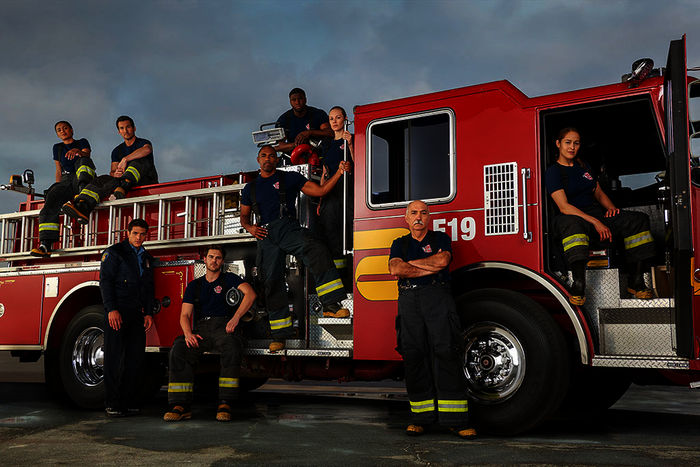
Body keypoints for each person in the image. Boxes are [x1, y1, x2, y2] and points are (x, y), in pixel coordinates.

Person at [239, 145, 351, 352]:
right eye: (264, 156)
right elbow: (244, 217)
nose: (268, 159)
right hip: (265, 235)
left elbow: (320, 191)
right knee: (271, 281)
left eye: (272, 156)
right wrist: (251, 228)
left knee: (316, 249)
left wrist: (339, 173)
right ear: (258, 160)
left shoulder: (288, 178)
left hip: (287, 227)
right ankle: (280, 336)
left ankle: (331, 306)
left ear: (276, 160)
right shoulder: (250, 188)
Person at [388, 200, 475, 440]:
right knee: (414, 354)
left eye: (423, 213)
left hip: (437, 297)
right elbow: (395, 269)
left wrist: (412, 266)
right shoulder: (399, 243)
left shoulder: (440, 238)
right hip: (408, 300)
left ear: (429, 217)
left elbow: (443, 261)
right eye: (414, 213)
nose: (418, 217)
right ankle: (420, 419)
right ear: (406, 218)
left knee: (446, 351)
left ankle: (456, 421)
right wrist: (426, 268)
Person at [545, 127, 655, 305]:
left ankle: (636, 281)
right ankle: (579, 283)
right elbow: (564, 207)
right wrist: (596, 222)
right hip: (571, 217)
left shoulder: (583, 166)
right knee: (573, 224)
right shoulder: (553, 172)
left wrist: (612, 209)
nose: (572, 147)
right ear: (558, 144)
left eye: (576, 143)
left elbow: (598, 192)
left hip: (595, 216)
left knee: (637, 220)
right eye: (568, 142)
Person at [164, 245, 256, 422]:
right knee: (179, 348)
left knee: (232, 346)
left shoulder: (229, 279)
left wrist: (236, 318)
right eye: (211, 257)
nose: (214, 260)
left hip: (224, 327)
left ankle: (225, 402)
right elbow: (184, 315)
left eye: (218, 258)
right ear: (204, 259)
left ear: (222, 261)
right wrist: (188, 334)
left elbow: (250, 294)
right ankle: (180, 405)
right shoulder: (194, 286)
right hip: (202, 329)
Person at [99, 218, 155, 417]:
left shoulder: (146, 257)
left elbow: (149, 288)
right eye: (135, 233)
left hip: (136, 313)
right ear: (128, 233)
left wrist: (148, 312)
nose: (139, 238)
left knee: (135, 358)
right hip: (118, 311)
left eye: (142, 234)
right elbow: (105, 282)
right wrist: (111, 309)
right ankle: (112, 403)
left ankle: (129, 401)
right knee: (114, 357)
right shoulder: (115, 252)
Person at [62, 116, 158, 223]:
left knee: (138, 162)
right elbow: (112, 172)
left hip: (145, 180)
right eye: (122, 128)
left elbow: (147, 149)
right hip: (120, 184)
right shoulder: (117, 151)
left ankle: (123, 187)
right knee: (103, 179)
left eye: (128, 127)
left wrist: (125, 159)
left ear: (134, 128)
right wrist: (116, 173)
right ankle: (82, 206)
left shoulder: (143, 142)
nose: (125, 131)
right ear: (119, 132)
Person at [29, 121, 96, 257]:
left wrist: (78, 152)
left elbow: (87, 157)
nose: (63, 131)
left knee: (83, 162)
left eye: (65, 128)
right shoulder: (57, 148)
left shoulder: (82, 142)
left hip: (83, 178)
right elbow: (58, 170)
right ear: (57, 134)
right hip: (66, 180)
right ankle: (45, 245)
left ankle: (82, 195)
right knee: (51, 200)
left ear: (71, 130)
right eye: (59, 130)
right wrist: (58, 188)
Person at [317, 106, 354, 285]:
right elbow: (325, 172)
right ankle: (338, 280)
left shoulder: (351, 139)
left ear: (345, 119)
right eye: (331, 118)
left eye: (338, 117)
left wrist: (352, 144)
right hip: (330, 196)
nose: (334, 121)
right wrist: (320, 198)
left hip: (347, 192)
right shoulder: (326, 145)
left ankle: (350, 277)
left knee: (349, 234)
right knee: (331, 237)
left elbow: (359, 161)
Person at [274, 88, 333, 155]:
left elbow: (330, 133)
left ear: (305, 99)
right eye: (294, 100)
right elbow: (278, 147)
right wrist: (299, 145)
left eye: (300, 99)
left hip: (319, 154)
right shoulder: (284, 119)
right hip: (294, 157)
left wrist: (309, 133)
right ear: (290, 101)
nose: (297, 102)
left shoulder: (318, 113)